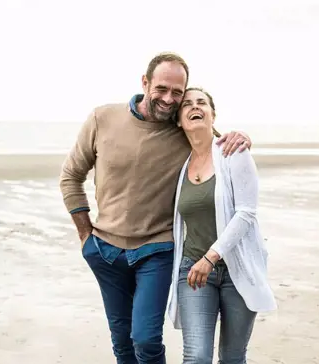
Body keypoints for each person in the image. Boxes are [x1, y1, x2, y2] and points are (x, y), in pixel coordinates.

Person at [59, 52, 253, 364]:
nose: (169, 98)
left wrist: (239, 136)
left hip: (157, 249)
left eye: (178, 92)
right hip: (105, 250)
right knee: (121, 341)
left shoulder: (180, 128)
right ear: (145, 82)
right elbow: (71, 176)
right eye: (162, 88)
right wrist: (85, 237)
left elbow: (213, 136)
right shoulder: (102, 118)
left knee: (146, 339)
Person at [165, 87, 276, 364]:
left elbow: (246, 213)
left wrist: (211, 257)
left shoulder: (232, 152)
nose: (195, 107)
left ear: (213, 115)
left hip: (237, 269)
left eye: (202, 102)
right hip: (194, 270)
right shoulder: (179, 163)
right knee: (197, 357)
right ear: (179, 120)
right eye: (187, 104)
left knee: (232, 357)